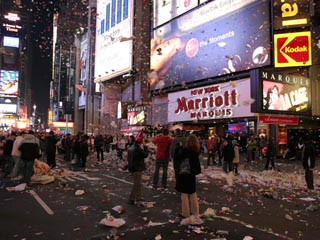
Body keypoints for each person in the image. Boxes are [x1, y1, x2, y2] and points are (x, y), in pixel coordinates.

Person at [174, 134, 202, 224]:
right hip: (191, 174)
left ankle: (185, 213)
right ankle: (196, 212)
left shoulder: (185, 150)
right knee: (192, 193)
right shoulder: (196, 151)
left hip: (183, 173)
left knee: (184, 194)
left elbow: (177, 157)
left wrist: (178, 148)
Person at [127, 136, 148, 205]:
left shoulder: (132, 147)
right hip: (137, 168)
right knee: (136, 184)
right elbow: (145, 155)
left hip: (132, 167)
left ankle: (139, 196)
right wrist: (145, 147)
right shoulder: (137, 149)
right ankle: (132, 198)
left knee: (139, 183)